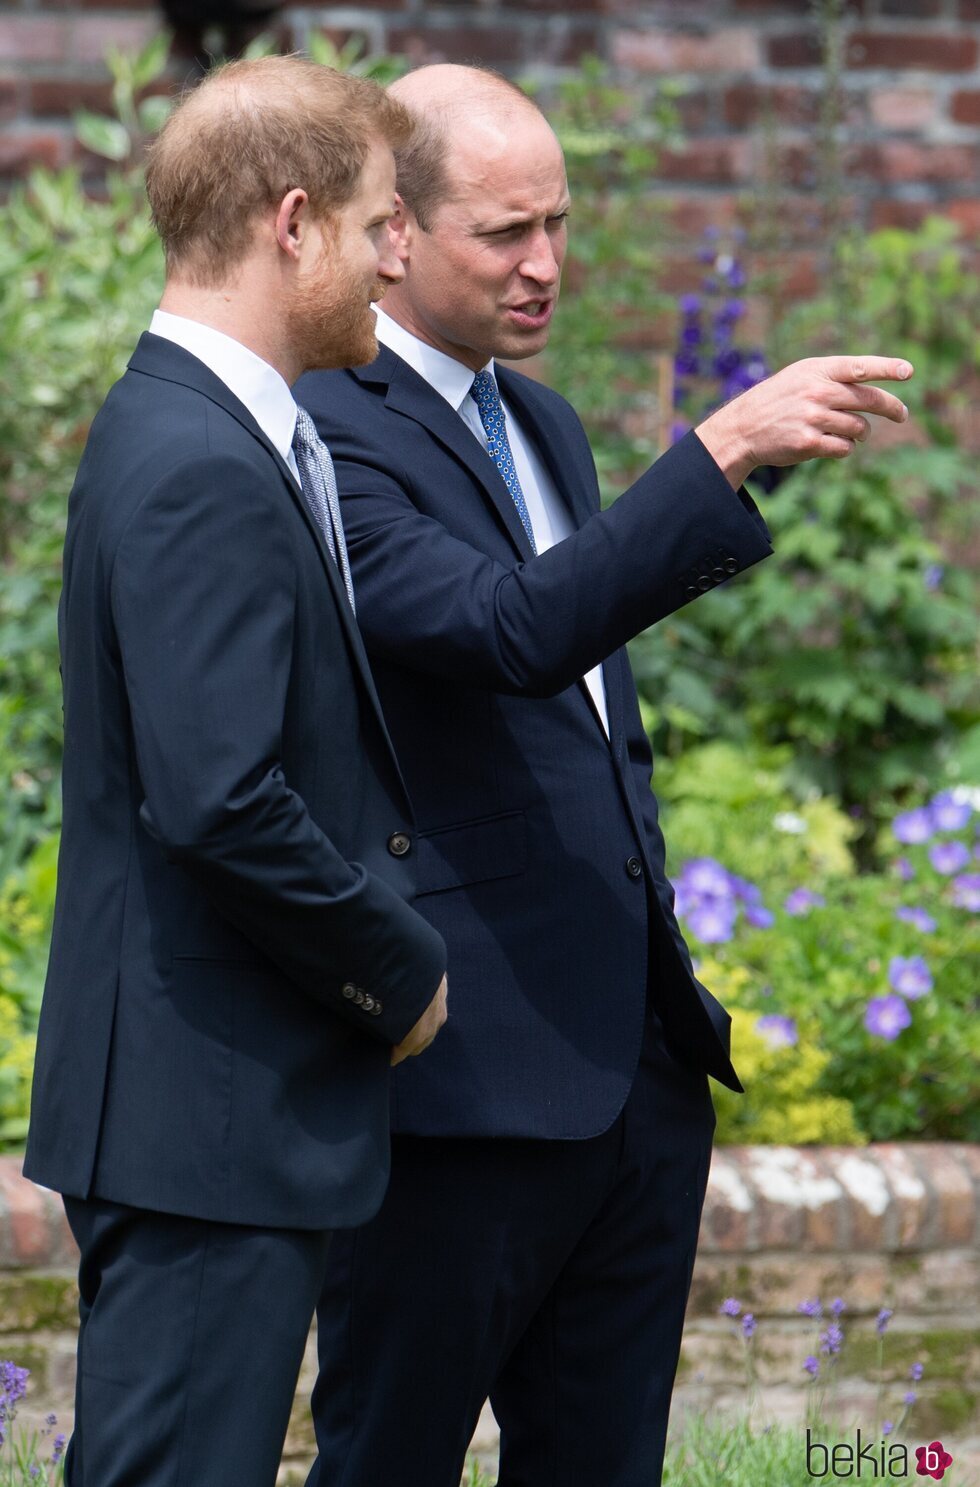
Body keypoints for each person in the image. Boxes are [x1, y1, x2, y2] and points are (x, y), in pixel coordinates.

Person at [296, 63, 914, 1487]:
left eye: (559, 224)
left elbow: (589, 713)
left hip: (628, 1079)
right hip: (455, 1088)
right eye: (505, 233)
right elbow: (508, 634)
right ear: (391, 233)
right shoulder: (327, 429)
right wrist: (722, 447)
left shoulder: (544, 422)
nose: (548, 266)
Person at [23, 56, 449, 1487]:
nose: (404, 254)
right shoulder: (200, 457)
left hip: (209, 1110)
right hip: (211, 1113)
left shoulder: (208, 427)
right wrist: (396, 968)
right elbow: (217, 797)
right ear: (293, 223)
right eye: (386, 220)